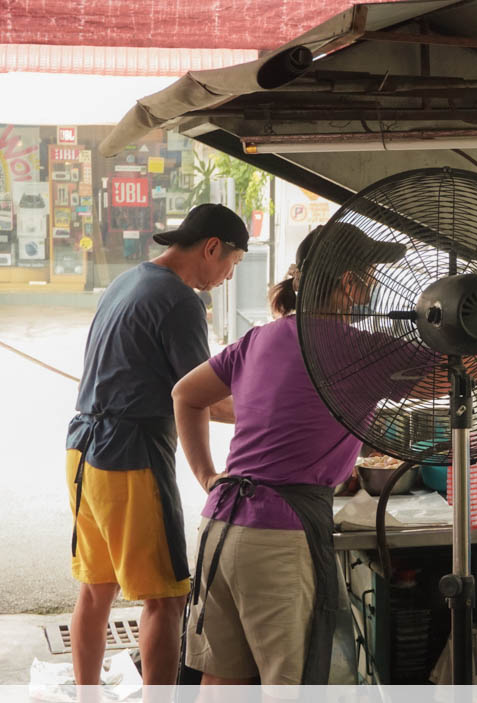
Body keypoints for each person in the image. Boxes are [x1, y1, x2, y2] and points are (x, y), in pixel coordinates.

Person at [173, 223, 477, 685]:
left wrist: (207, 476)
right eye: (370, 275)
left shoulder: (260, 337)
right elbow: (469, 370)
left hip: (219, 528)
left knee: (222, 683)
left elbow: (185, 394)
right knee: (292, 685)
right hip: (279, 538)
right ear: (347, 283)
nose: (375, 286)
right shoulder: (352, 346)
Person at [65, 203, 247, 686]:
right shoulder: (181, 302)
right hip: (131, 456)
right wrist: (271, 410)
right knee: (165, 600)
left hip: (83, 451)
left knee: (95, 589)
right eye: (234, 262)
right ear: (212, 248)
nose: (230, 276)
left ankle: (87, 697)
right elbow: (205, 400)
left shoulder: (129, 280)